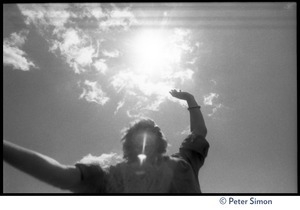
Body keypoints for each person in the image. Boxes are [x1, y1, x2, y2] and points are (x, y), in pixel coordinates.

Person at [3, 89, 209, 193]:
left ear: (161, 141)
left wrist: (190, 98)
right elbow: (62, 175)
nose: (145, 142)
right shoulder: (114, 176)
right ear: (129, 145)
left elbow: (199, 131)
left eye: (150, 135)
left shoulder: (183, 161)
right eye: (140, 138)